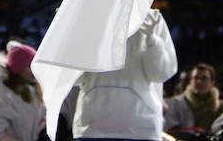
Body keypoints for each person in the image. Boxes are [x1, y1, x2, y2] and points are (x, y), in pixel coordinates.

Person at [73, 9, 177, 140]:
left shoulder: (151, 18)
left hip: (140, 128)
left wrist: (153, 41)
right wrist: (73, 39)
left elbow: (161, 74)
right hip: (92, 128)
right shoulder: (88, 16)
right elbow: (73, 79)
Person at [164, 63, 223, 133]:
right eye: (196, 78)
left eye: (204, 78)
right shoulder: (176, 103)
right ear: (190, 81)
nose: (199, 82)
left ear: (212, 83)